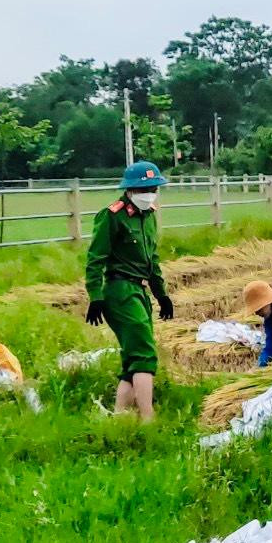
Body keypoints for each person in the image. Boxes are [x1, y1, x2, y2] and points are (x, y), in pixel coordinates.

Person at [85, 160, 174, 421]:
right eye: (145, 189)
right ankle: (147, 418)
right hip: (120, 291)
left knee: (132, 360)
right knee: (145, 355)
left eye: (154, 188)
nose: (151, 194)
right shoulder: (112, 216)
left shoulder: (149, 216)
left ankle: (120, 415)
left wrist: (162, 295)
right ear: (130, 190)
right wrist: (96, 297)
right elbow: (95, 259)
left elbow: (152, 260)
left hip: (139, 291)